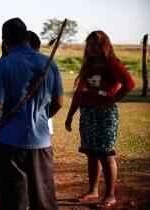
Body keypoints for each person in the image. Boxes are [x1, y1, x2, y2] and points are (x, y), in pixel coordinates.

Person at [0, 18, 63, 210]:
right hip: (41, 142)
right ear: (26, 36)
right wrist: (40, 118)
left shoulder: (2, 65)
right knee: (44, 200)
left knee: (14, 201)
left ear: (4, 40)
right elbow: (59, 103)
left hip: (10, 142)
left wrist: (3, 114)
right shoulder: (48, 63)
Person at [65, 31, 135, 208]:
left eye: (96, 44)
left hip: (104, 115)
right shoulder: (88, 65)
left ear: (105, 45)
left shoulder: (112, 63)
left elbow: (129, 84)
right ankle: (92, 191)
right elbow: (79, 93)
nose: (92, 48)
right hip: (87, 113)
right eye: (89, 44)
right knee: (91, 153)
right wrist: (70, 114)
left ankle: (110, 195)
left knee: (106, 154)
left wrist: (110, 100)